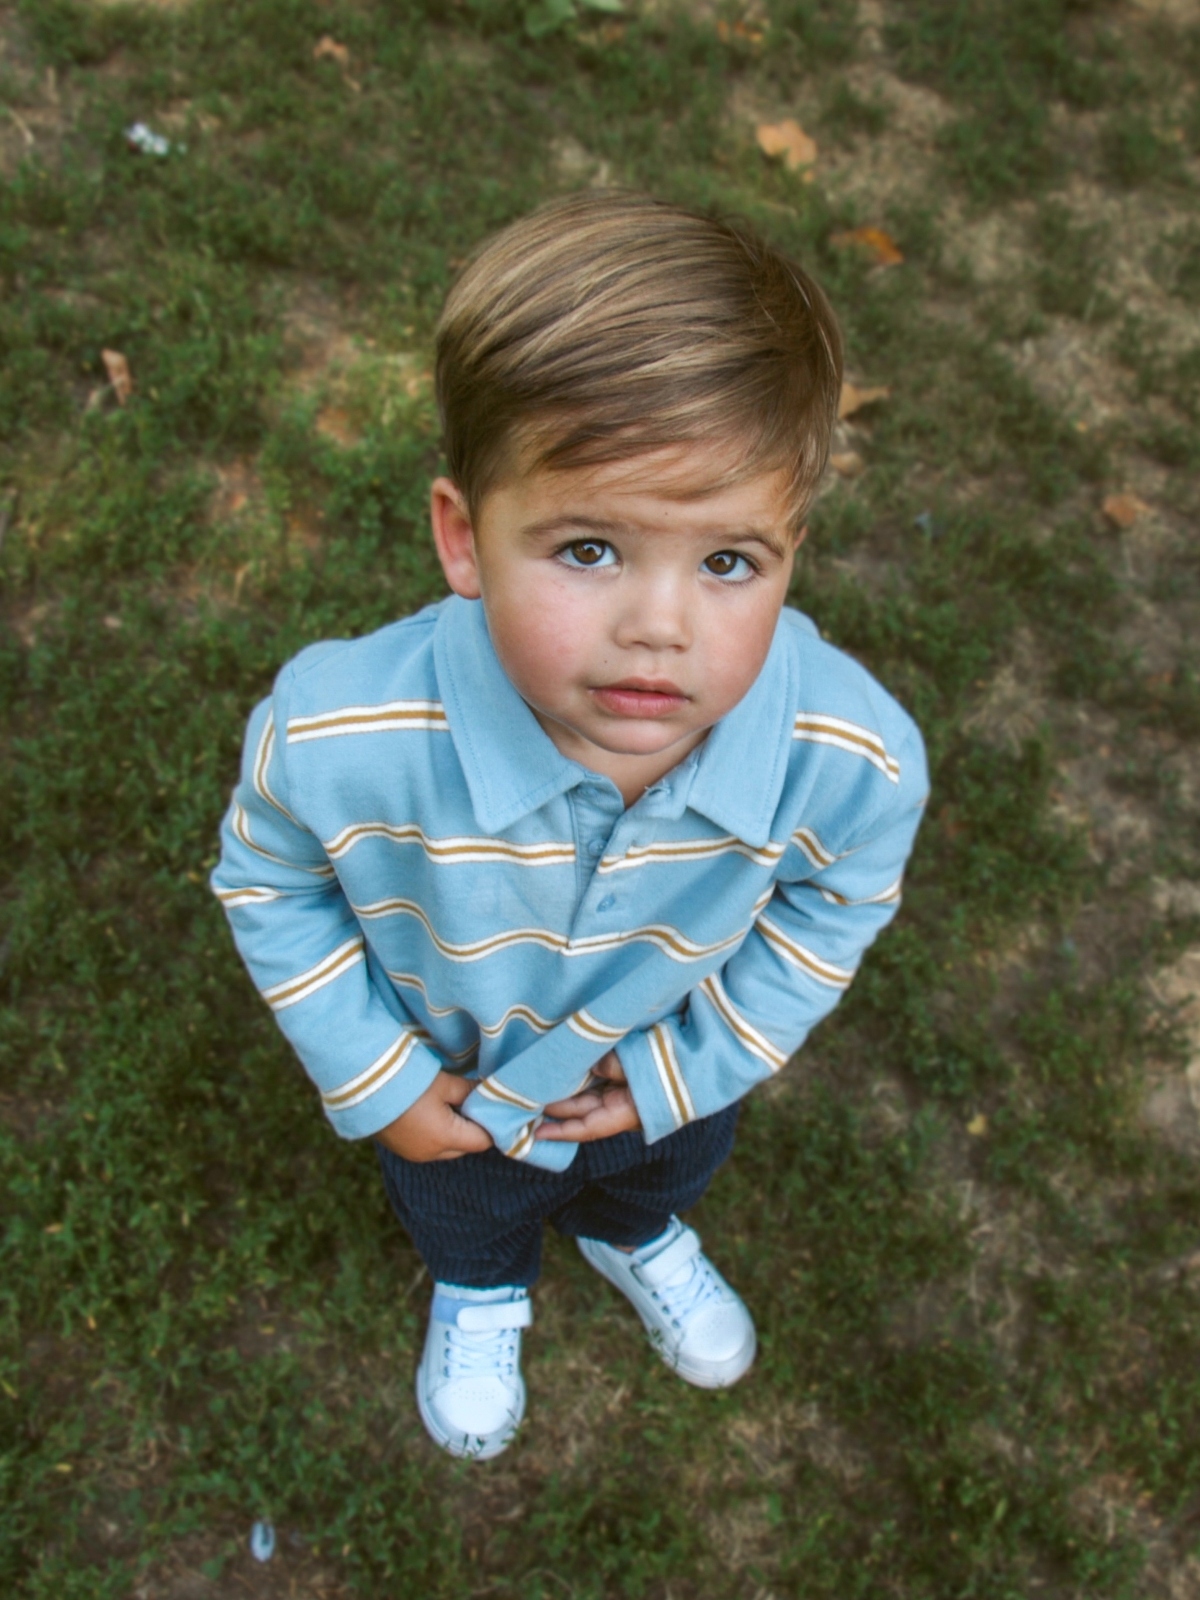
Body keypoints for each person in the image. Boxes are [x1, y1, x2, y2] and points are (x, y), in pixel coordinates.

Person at [212, 191, 928, 1461]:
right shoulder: (338, 736)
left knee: (661, 1171)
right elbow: (267, 877)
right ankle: (483, 1290)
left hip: (671, 1071)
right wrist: (378, 1078)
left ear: (793, 551)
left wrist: (695, 1065)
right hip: (461, 1088)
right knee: (468, 1210)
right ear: (463, 537)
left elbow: (840, 900)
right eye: (591, 547)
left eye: (728, 563)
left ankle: (633, 1234)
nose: (660, 625)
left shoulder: (849, 759)